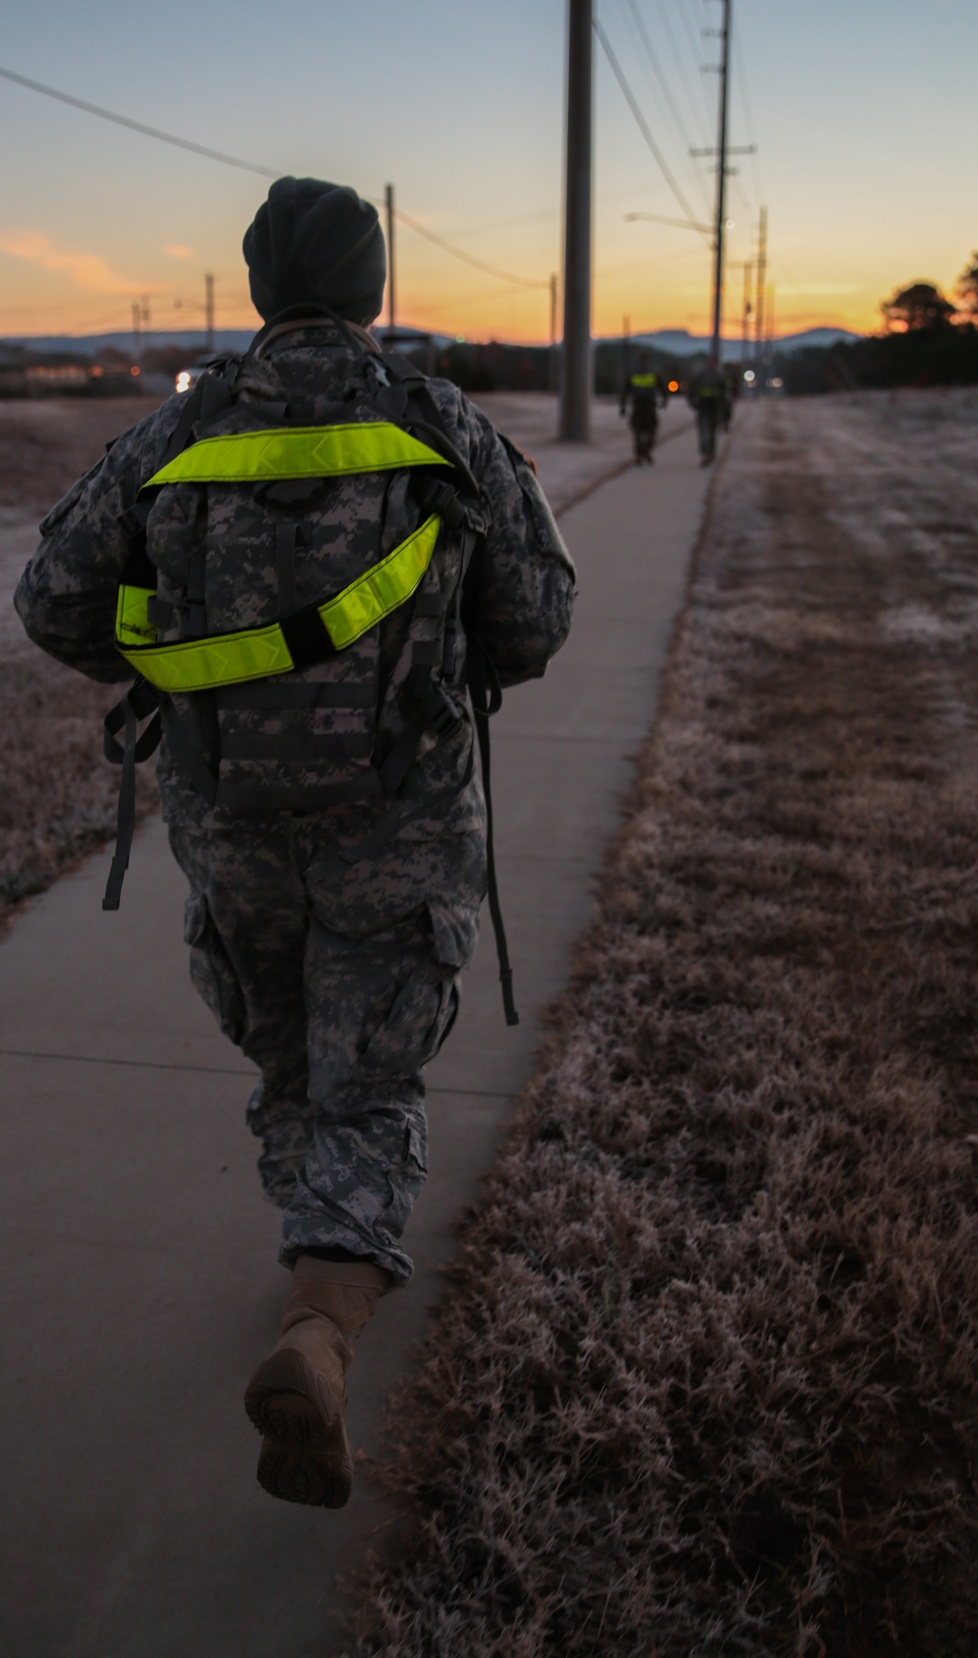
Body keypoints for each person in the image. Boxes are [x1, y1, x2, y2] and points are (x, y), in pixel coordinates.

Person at [14, 176, 576, 1510]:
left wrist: (177, 669)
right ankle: (322, 1320)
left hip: (233, 821)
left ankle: (309, 1244)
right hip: (403, 812)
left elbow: (53, 603)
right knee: (372, 1073)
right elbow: (537, 616)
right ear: (372, 285)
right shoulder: (440, 426)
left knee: (285, 1051)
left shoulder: (179, 429)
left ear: (263, 285)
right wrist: (443, 670)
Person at [619, 349, 669, 464]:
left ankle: (641, 453)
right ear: (647, 360)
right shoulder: (653, 372)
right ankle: (645, 450)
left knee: (638, 431)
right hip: (648, 405)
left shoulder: (633, 373)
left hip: (639, 405)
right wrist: (664, 402)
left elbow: (625, 391)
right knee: (650, 429)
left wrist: (622, 406)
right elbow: (662, 389)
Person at [686, 359, 731, 466]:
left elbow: (691, 390)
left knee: (704, 430)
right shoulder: (718, 376)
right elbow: (725, 395)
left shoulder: (701, 376)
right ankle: (709, 452)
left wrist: (692, 402)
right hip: (711, 407)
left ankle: (706, 452)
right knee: (710, 431)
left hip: (704, 407)